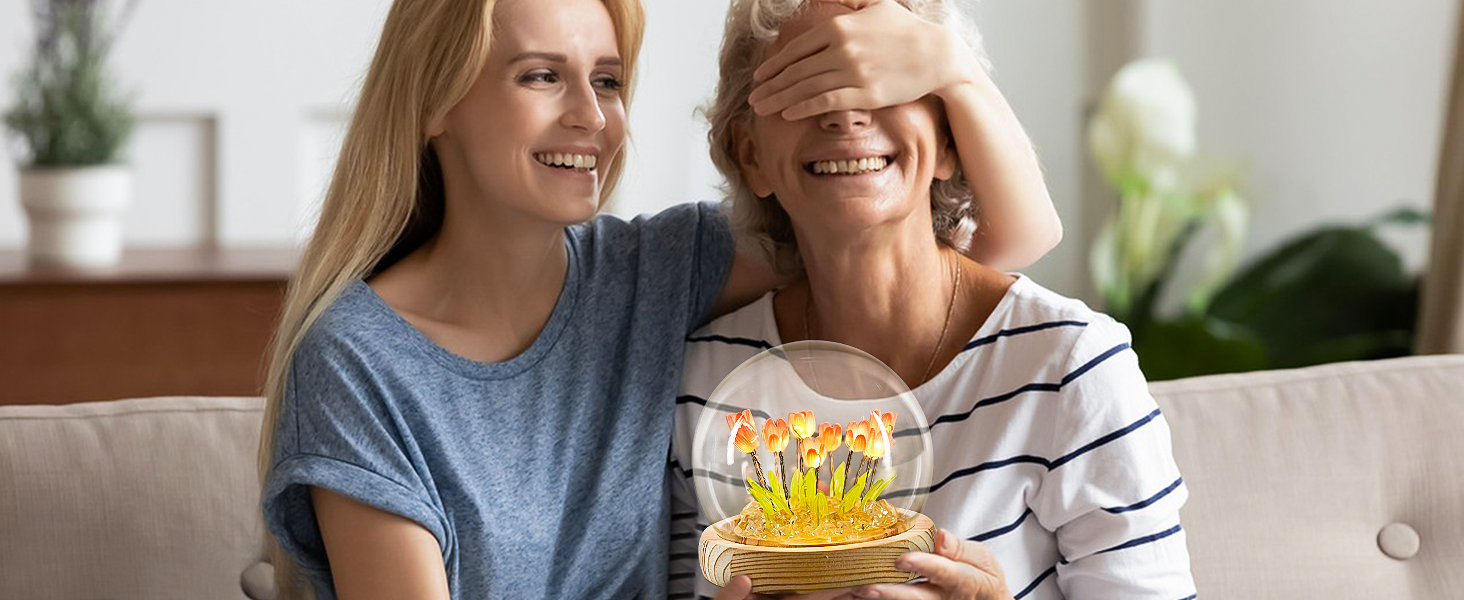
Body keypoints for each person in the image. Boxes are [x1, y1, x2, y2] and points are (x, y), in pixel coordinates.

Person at [256, 0, 1063, 598]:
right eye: (542, 76)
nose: (591, 118)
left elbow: (983, 248)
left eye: (606, 81)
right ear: (434, 102)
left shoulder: (651, 271)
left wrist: (946, 65)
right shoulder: (358, 359)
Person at [669, 1, 1196, 599]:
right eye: (805, 81)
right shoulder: (708, 379)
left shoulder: (1071, 368)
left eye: (884, 82)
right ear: (750, 153)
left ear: (949, 140)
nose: (844, 113)